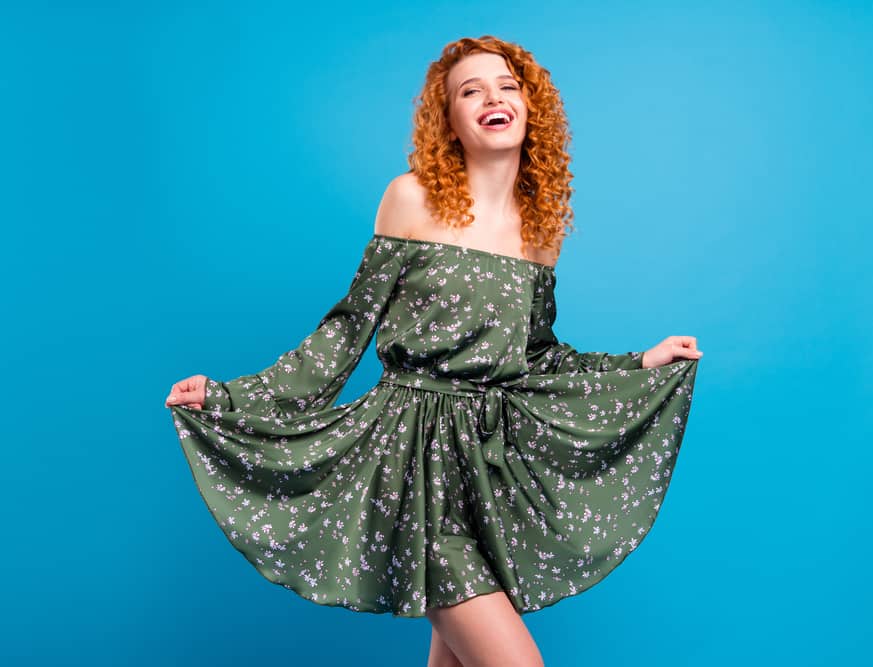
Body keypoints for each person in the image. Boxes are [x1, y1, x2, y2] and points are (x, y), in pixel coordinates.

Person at [165, 35, 702, 667]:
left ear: (531, 107)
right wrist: (232, 398)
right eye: (469, 91)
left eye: (506, 86)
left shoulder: (539, 232)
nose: (491, 98)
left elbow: (536, 358)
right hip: (411, 459)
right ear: (448, 120)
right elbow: (345, 331)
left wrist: (640, 363)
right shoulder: (412, 199)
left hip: (484, 471)